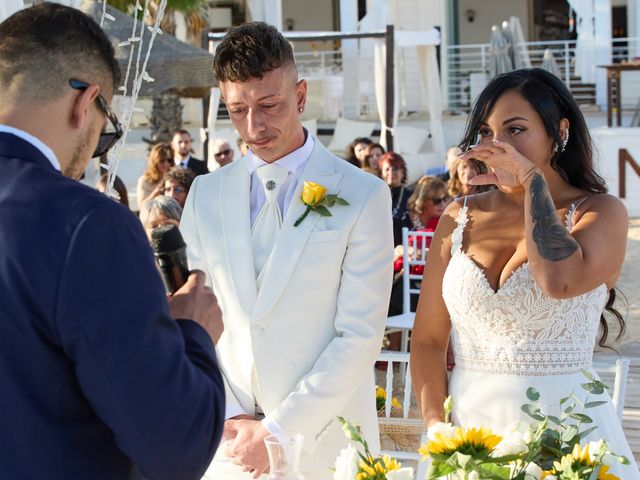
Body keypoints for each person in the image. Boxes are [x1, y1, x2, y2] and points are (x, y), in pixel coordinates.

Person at [0, 4, 225, 480]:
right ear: (86, 104)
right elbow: (176, 446)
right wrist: (194, 333)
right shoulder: (85, 225)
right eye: (108, 128)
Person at [180, 21, 393, 480]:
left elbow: (359, 335)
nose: (254, 126)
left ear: (300, 96)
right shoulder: (204, 194)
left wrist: (277, 430)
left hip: (324, 443)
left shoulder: (363, 194)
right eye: (237, 110)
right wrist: (235, 417)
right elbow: (196, 313)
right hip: (227, 442)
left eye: (269, 105)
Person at [410, 68, 638, 478]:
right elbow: (427, 339)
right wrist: (438, 432)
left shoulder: (601, 212)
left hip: (568, 442)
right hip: (468, 439)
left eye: (515, 130)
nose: (497, 145)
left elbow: (558, 280)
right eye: (486, 131)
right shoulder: (458, 216)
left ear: (559, 133)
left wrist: (533, 182)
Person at [380, 152, 412, 246]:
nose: (391, 173)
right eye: (387, 169)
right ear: (381, 172)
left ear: (402, 172)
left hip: (403, 246)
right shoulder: (377, 195)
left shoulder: (411, 196)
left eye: (395, 169)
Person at [136, 141, 174, 207]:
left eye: (169, 160)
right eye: (161, 161)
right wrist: (157, 191)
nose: (166, 164)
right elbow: (141, 206)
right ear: (154, 161)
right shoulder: (145, 180)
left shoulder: (175, 178)